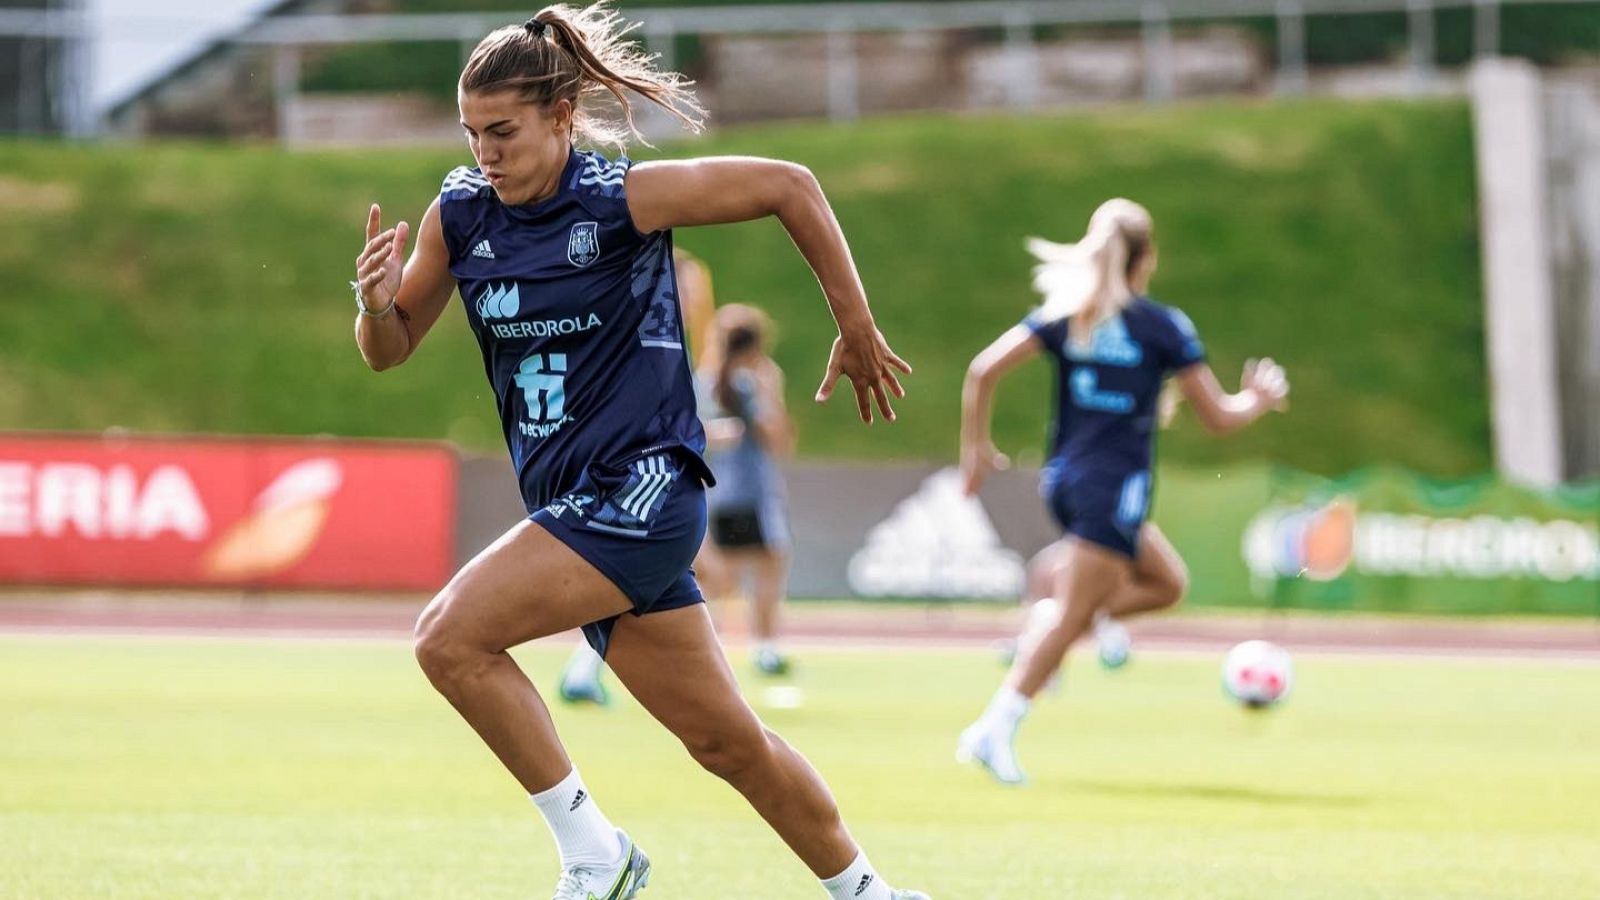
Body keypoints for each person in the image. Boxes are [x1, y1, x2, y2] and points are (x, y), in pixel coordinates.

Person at [349, 6, 925, 899]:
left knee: (449, 641)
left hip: (645, 489)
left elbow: (790, 183)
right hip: (574, 506)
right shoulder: (459, 216)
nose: (485, 152)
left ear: (561, 118)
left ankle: (595, 855)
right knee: (730, 744)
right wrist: (378, 304)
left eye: (503, 131)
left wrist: (855, 322)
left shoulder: (622, 198)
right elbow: (386, 354)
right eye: (471, 132)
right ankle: (873, 894)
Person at [954, 198, 1289, 786]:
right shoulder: (1162, 326)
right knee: (1076, 614)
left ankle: (1051, 624)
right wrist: (1257, 400)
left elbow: (983, 370)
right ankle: (994, 729)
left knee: (1166, 583)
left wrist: (976, 448)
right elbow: (1218, 416)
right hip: (1112, 488)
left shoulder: (1069, 317)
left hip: (1067, 480)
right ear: (1148, 258)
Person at [696, 303, 798, 676]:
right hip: (752, 493)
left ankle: (711, 649)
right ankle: (764, 647)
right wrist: (773, 392)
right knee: (765, 567)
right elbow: (778, 440)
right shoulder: (750, 384)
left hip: (712, 492)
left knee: (721, 576)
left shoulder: (700, 382)